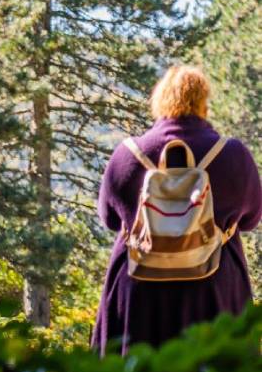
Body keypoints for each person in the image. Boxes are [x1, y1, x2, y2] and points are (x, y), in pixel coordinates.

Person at [94, 65, 262, 355]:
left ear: (160, 101)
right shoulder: (232, 154)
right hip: (214, 289)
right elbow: (251, 218)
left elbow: (109, 218)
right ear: (203, 102)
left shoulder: (127, 154)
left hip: (139, 291)